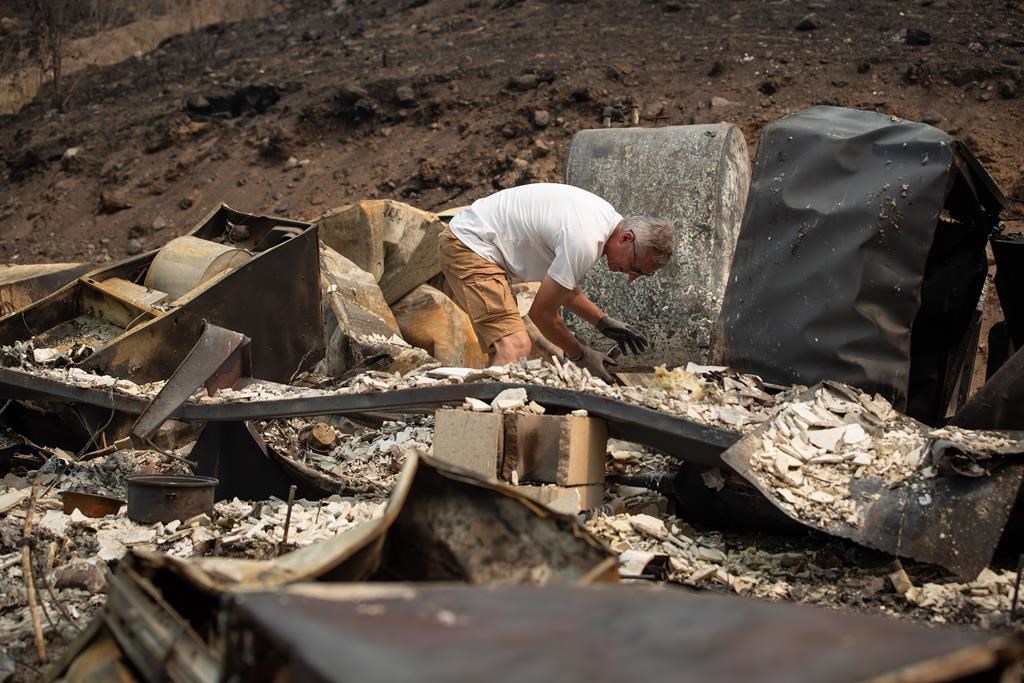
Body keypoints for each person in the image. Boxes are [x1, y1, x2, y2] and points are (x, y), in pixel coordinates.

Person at [438, 183, 675, 382]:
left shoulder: (602, 219)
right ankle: (480, 431)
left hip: (476, 241)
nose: (631, 276)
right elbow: (542, 314)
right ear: (626, 238)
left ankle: (478, 416)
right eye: (636, 268)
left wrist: (602, 322)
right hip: (471, 245)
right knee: (515, 345)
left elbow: (563, 290)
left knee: (503, 349)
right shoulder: (585, 240)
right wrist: (581, 356)